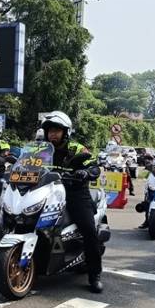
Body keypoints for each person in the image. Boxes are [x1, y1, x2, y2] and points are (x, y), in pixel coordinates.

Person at [41, 111, 105, 293]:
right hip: (47, 192)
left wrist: (86, 172)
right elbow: (27, 164)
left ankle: (94, 274)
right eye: (50, 131)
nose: (52, 134)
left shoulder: (77, 149)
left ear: (65, 132)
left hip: (74, 193)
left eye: (57, 130)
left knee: (88, 230)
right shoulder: (41, 149)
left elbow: (94, 166)